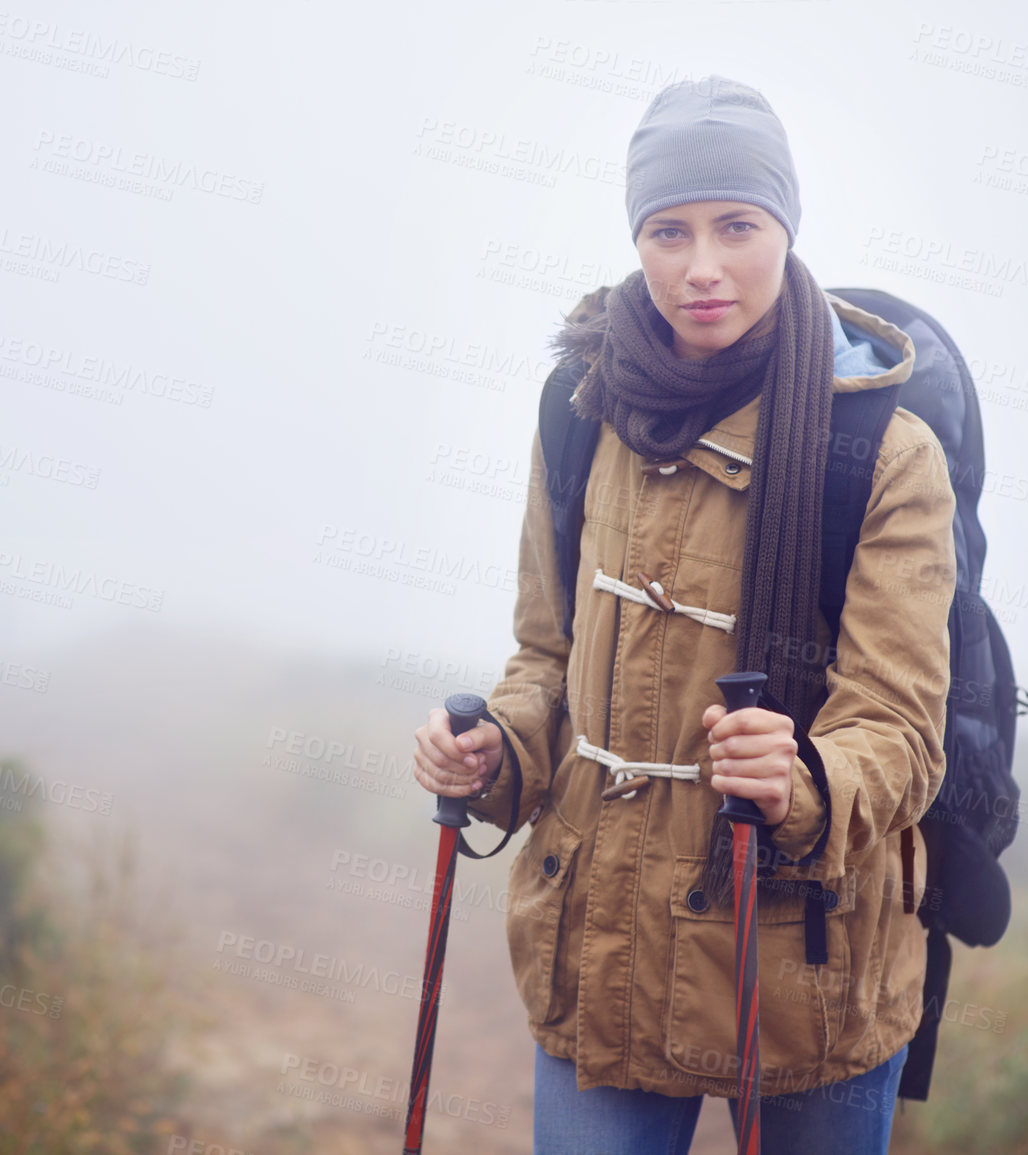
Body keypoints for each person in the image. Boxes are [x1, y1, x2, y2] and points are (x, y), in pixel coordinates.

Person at [410, 75, 958, 1154]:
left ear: (784, 228)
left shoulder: (886, 454)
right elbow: (546, 659)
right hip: (602, 947)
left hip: (809, 962)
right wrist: (495, 750)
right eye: (669, 230)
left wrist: (804, 780)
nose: (702, 266)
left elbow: (900, 729)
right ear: (638, 238)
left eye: (736, 226)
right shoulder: (582, 409)